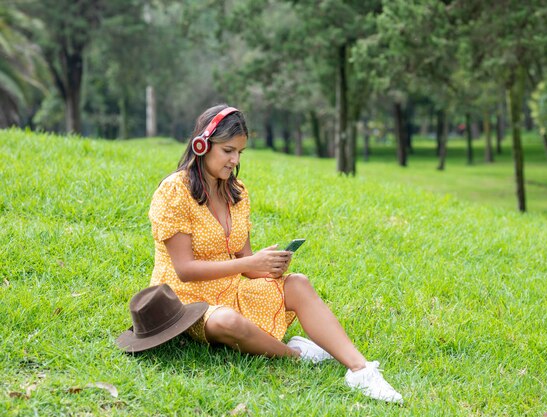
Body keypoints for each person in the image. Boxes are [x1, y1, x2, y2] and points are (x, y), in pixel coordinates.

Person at [148, 104, 403, 403]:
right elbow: (184, 270)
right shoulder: (174, 192)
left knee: (298, 283)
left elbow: (244, 263)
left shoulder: (236, 192)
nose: (235, 160)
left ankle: (361, 371)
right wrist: (250, 262)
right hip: (185, 300)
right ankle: (295, 354)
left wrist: (269, 266)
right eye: (228, 150)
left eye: (240, 152)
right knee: (226, 322)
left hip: (230, 289)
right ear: (202, 144)